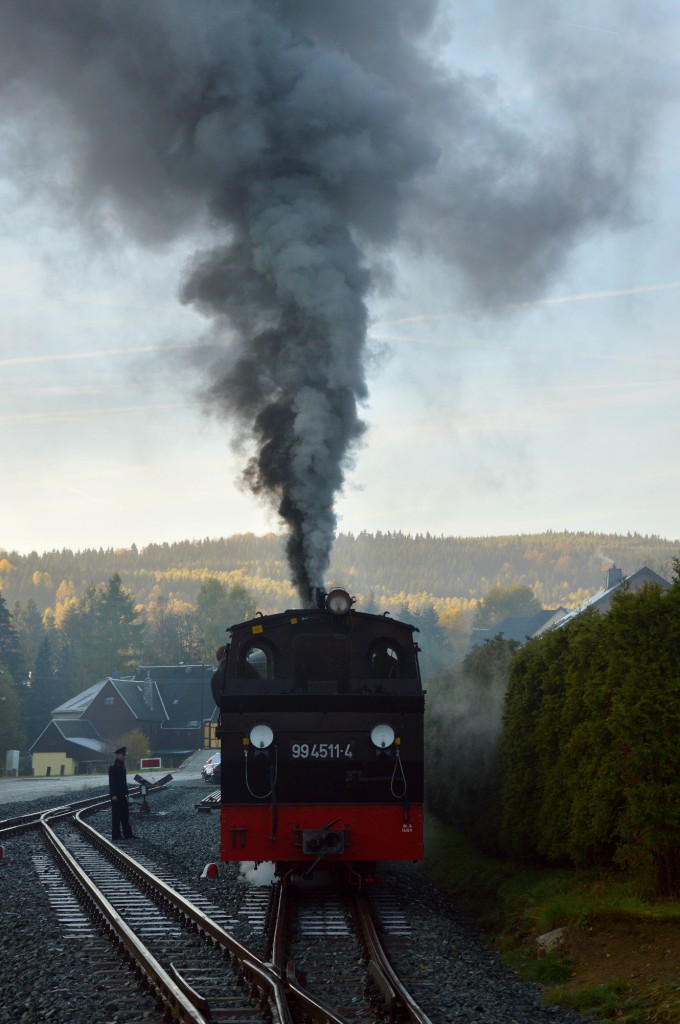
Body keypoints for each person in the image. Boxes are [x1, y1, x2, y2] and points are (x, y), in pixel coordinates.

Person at [108, 745, 134, 840]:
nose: (124, 757)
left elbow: (123, 781)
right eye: (123, 755)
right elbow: (112, 782)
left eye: (124, 755)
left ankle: (128, 834)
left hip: (122, 794)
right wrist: (113, 794)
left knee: (125, 814)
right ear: (118, 755)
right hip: (116, 795)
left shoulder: (122, 766)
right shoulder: (113, 767)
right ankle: (116, 835)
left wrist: (126, 792)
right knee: (116, 815)